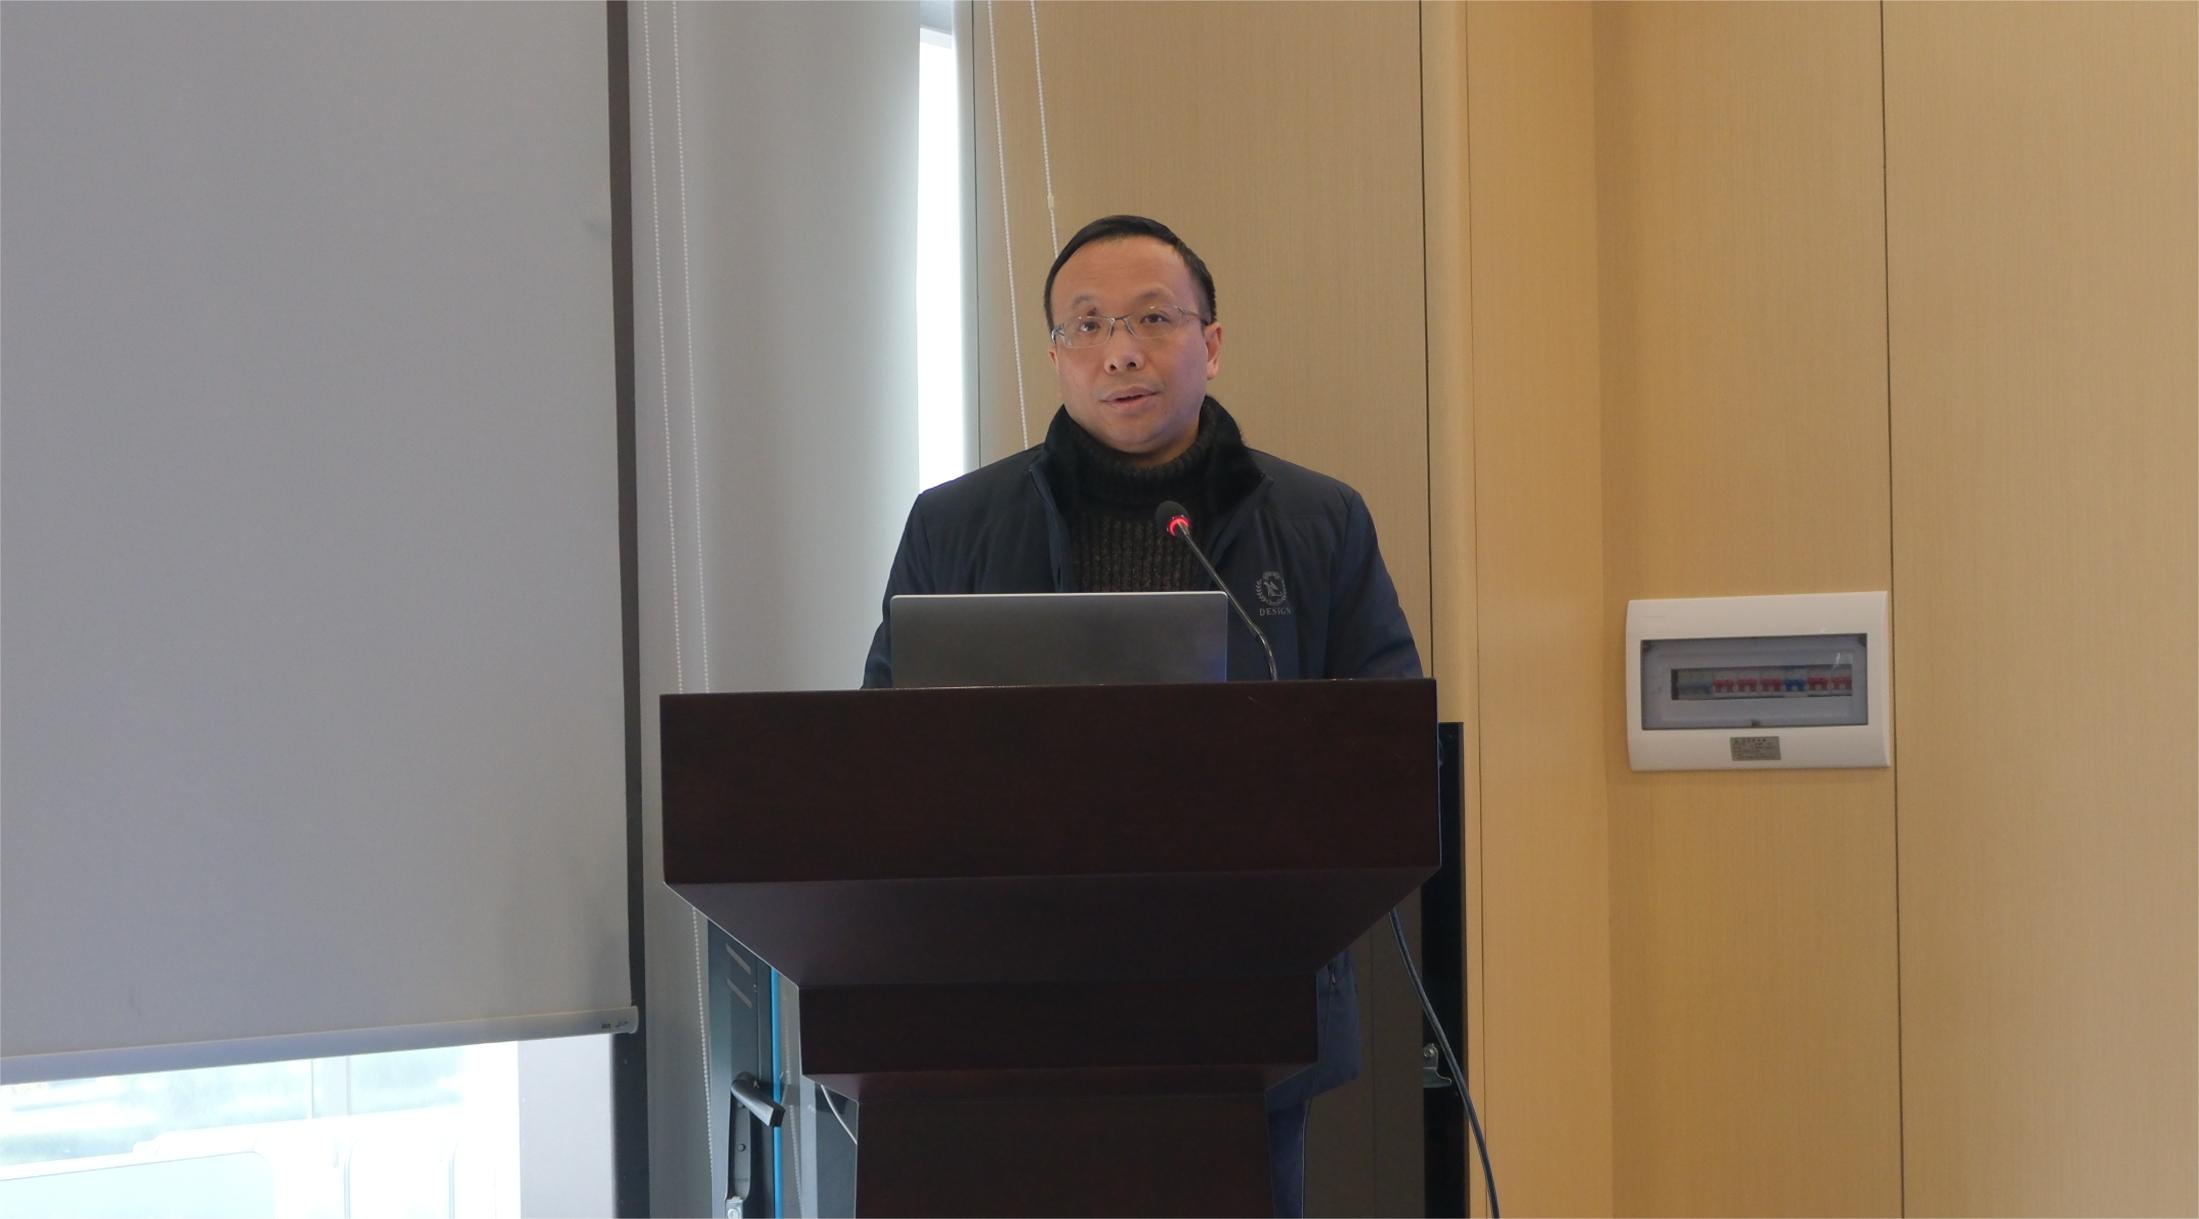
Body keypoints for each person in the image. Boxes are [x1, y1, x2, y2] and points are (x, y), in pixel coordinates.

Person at [862, 213, 1420, 1217]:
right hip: (1006, 1005)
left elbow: (1390, 753)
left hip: (1247, 1006)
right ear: (1056, 358)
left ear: (1212, 342)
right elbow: (877, 756)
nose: (1119, 350)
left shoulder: (1318, 521)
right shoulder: (955, 525)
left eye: (1153, 318)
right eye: (1086, 324)